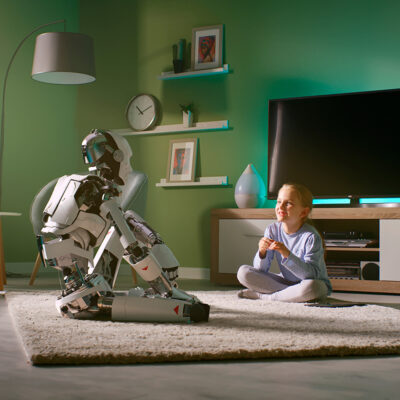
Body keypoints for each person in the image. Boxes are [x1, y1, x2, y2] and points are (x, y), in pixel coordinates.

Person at [237, 183, 332, 302]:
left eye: (288, 203)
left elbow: (310, 276)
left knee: (313, 288)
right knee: (243, 272)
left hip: (310, 283)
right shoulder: (272, 230)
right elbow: (260, 270)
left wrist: (287, 254)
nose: (280, 207)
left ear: (303, 212)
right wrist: (262, 252)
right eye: (278, 201)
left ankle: (264, 296)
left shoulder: (311, 237)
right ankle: (291, 295)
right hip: (285, 282)